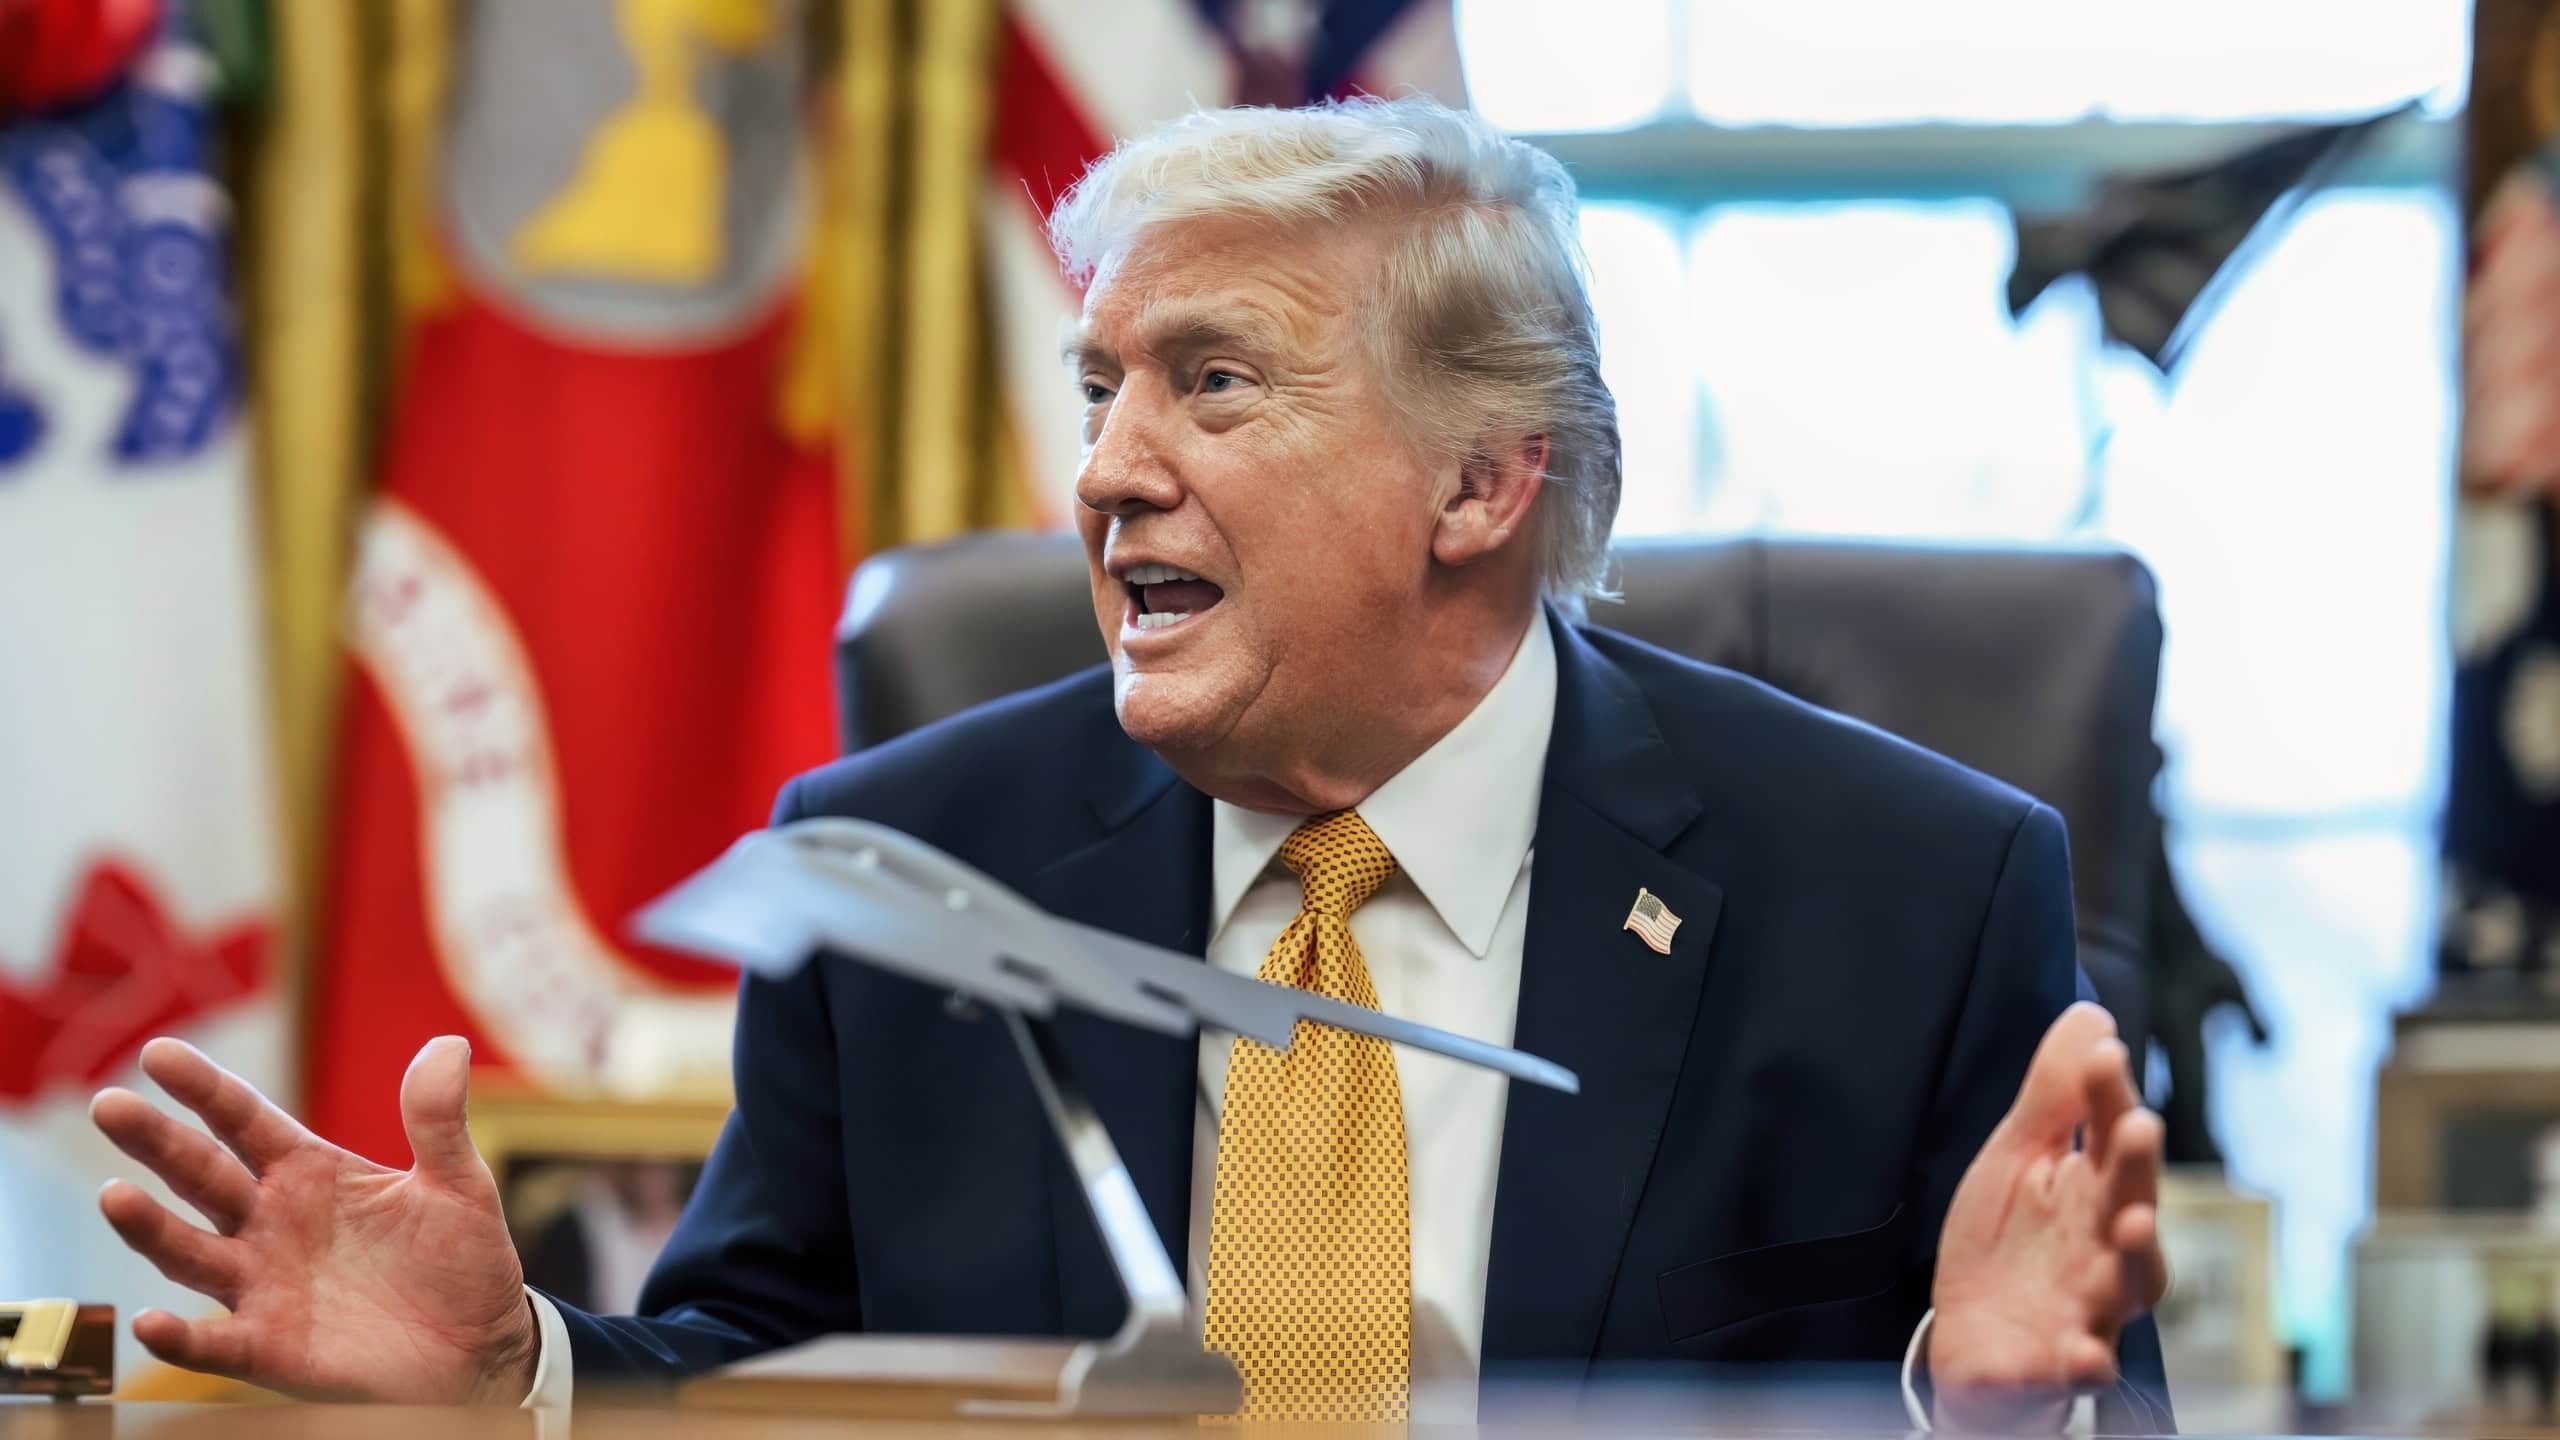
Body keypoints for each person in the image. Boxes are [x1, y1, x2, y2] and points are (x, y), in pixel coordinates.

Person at [89, 96, 2170, 1429]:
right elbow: (769, 1381)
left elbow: (2082, 1389)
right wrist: (521, 1370)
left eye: (1210, 384)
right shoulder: (906, 861)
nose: (1101, 473)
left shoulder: (1904, 893)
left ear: (1479, 481)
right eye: (1100, 389)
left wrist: (1988, 1414)